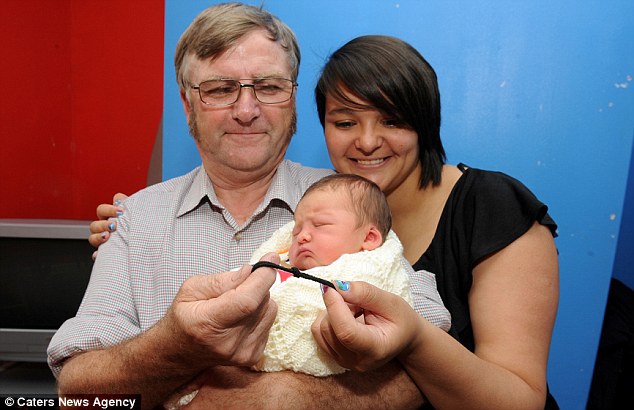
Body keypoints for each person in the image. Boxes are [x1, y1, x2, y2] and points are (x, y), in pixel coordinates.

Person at [88, 28, 560, 410]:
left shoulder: (488, 205)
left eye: (392, 120)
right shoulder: (335, 201)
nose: (368, 142)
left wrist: (407, 340)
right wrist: (131, 222)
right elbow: (79, 396)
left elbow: (518, 396)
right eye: (345, 122)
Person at [49, 4, 441, 409]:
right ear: (187, 104)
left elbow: (432, 355)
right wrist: (177, 345)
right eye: (220, 89)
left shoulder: (349, 201)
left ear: (292, 97)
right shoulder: (136, 219)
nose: (246, 111)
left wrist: (297, 397)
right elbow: (77, 392)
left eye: (269, 87)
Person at [250, 173, 448, 377]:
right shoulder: (280, 266)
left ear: (369, 238)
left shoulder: (376, 271)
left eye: (320, 225)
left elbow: (437, 321)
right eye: (296, 230)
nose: (302, 236)